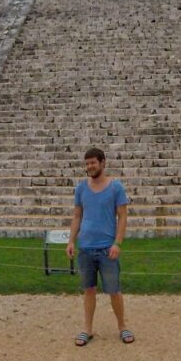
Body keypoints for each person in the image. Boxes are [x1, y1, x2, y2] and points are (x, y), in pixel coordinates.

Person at [66, 147, 134, 346]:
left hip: (107, 249)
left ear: (103, 163)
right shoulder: (81, 188)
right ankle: (87, 329)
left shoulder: (116, 187)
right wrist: (71, 240)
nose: (89, 167)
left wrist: (117, 243)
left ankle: (122, 326)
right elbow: (77, 216)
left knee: (114, 290)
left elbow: (122, 217)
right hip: (85, 247)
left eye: (93, 163)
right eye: (87, 164)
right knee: (89, 290)